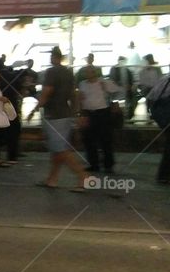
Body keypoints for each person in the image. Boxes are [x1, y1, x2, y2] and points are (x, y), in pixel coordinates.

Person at [27, 47, 88, 192]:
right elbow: (74, 94)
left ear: (54, 57)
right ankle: (52, 179)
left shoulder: (52, 72)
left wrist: (34, 110)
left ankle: (83, 176)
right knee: (57, 150)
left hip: (53, 115)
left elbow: (47, 92)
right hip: (65, 114)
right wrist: (76, 113)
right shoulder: (68, 73)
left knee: (61, 150)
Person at [78, 67, 119, 173]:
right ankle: (93, 163)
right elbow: (81, 98)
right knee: (89, 140)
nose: (87, 74)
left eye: (90, 72)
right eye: (86, 72)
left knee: (105, 139)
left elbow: (116, 91)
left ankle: (108, 165)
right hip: (88, 112)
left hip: (102, 112)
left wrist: (108, 91)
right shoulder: (82, 84)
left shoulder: (103, 82)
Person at [109, 56, 136, 121]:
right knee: (118, 104)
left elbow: (131, 80)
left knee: (130, 102)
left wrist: (129, 86)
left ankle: (128, 117)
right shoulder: (114, 68)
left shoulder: (127, 69)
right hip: (117, 90)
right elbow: (112, 80)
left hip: (126, 90)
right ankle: (119, 118)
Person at [139, 55, 163, 121]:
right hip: (147, 89)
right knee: (149, 99)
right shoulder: (143, 70)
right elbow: (142, 82)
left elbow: (161, 79)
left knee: (154, 99)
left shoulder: (157, 68)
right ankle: (150, 113)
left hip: (156, 88)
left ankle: (154, 113)